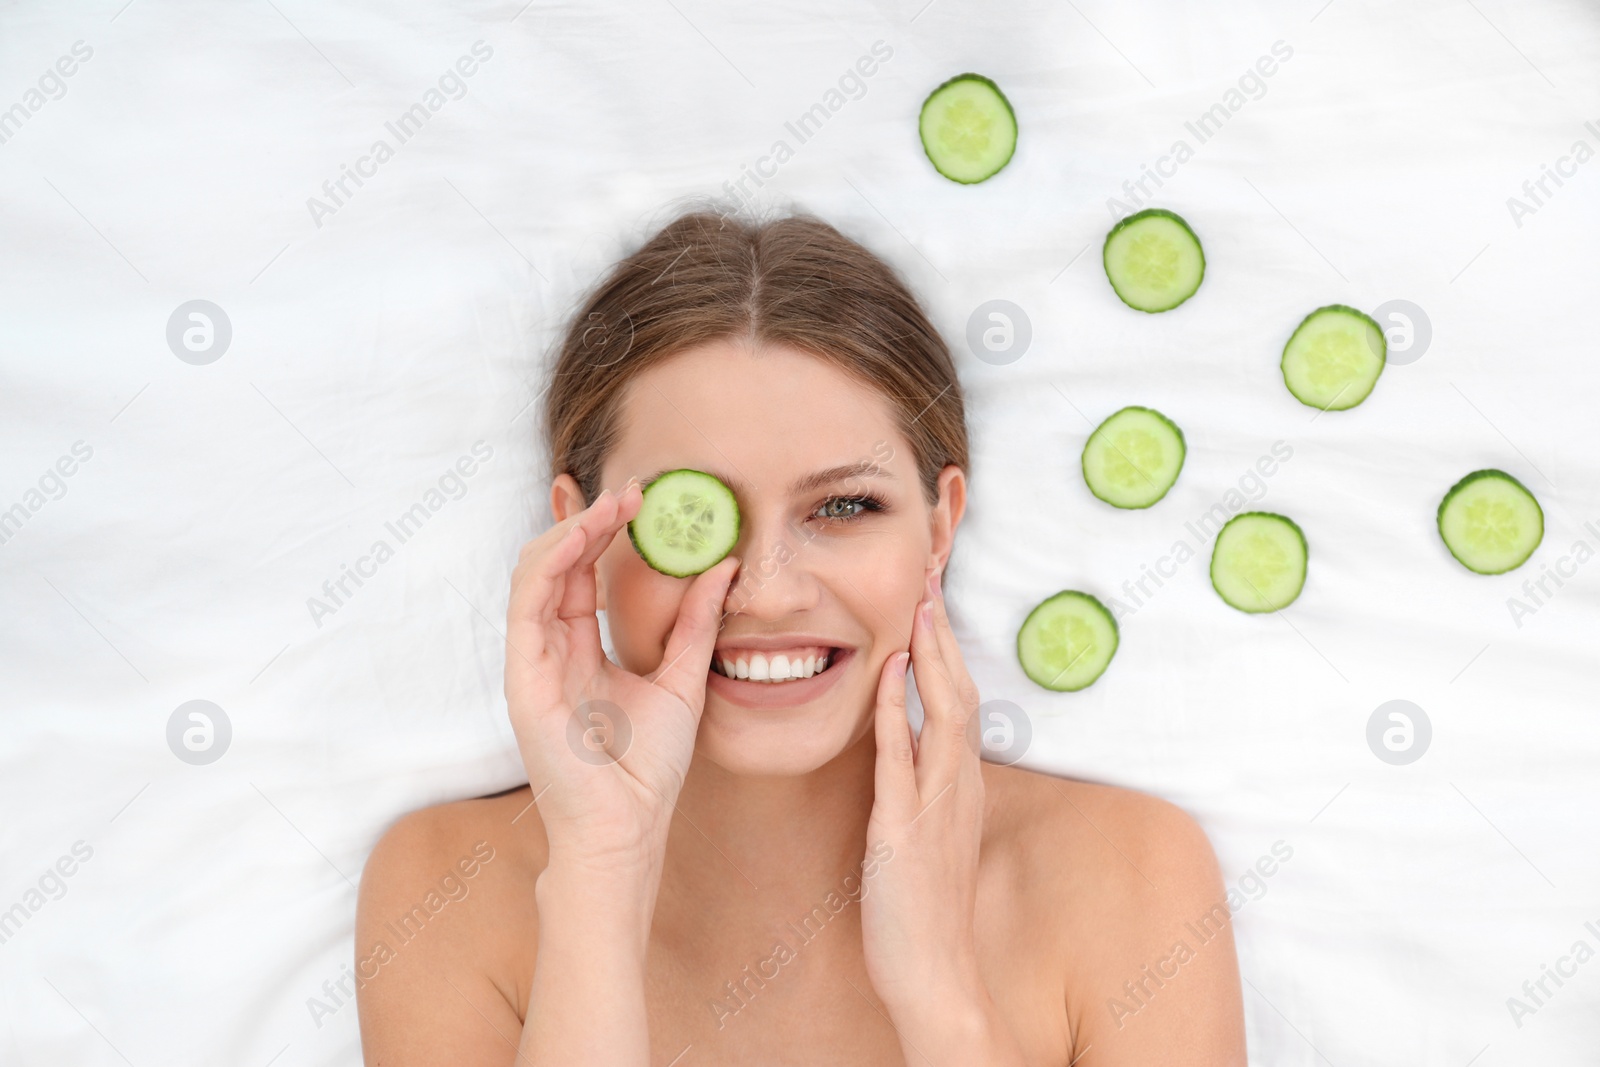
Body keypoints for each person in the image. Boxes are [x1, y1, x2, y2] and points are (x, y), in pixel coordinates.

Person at [355, 205, 1246, 1065]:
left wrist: (941, 992)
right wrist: (598, 875)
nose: (770, 594)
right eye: (693, 517)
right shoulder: (441, 891)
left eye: (846, 506)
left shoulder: (1129, 876)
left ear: (941, 526)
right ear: (577, 537)